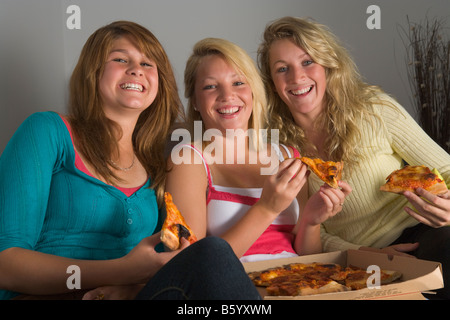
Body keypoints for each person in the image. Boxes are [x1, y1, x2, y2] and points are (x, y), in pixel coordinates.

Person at [0, 21, 260, 300]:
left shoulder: (156, 166)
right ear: (93, 72)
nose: (137, 69)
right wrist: (121, 271)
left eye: (148, 64)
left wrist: (131, 286)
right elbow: (6, 265)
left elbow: (155, 267)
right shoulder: (47, 131)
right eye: (121, 59)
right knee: (213, 251)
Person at [258, 16, 450, 299]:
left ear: (328, 66)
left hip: (425, 231)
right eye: (282, 69)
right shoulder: (276, 149)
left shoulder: (375, 109)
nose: (296, 77)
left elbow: (445, 168)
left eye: (307, 62)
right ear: (272, 83)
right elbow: (307, 232)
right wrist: (363, 254)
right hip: (355, 259)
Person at [166, 37, 351, 263]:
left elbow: (308, 257)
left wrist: (311, 221)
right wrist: (267, 208)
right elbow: (192, 265)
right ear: (195, 100)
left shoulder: (288, 156)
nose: (227, 95)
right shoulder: (188, 160)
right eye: (210, 86)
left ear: (253, 90)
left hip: (295, 284)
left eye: (238, 83)